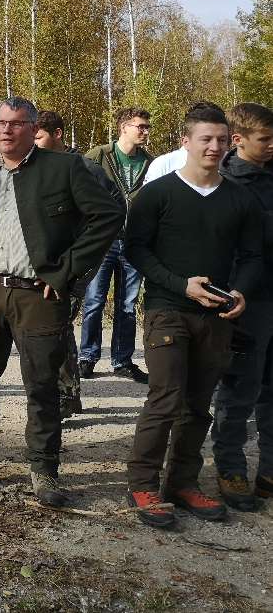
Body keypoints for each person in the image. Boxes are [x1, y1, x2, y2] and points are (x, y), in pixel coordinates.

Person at [0, 97, 123, 507]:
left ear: (33, 129)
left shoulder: (64, 168)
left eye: (16, 124)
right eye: (0, 123)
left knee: (43, 385)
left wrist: (67, 270)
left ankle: (44, 470)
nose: (6, 130)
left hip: (40, 294)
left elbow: (107, 215)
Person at [123, 102, 263, 528]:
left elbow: (254, 254)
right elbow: (136, 249)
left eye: (222, 139)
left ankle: (182, 483)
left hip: (217, 318)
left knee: (198, 405)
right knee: (165, 397)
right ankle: (142, 484)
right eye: (206, 138)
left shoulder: (241, 198)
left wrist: (241, 290)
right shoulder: (158, 193)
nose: (215, 147)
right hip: (168, 310)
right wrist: (179, 283)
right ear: (185, 141)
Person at [33, 110, 124, 419]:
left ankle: (64, 397)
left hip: (74, 264)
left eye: (38, 136)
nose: (32, 142)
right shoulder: (35, 166)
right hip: (47, 263)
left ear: (57, 134)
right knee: (56, 326)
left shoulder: (85, 169)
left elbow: (109, 215)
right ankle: (67, 395)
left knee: (56, 326)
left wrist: (79, 261)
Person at [210, 103, 273, 510]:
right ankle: (230, 467)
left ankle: (268, 470)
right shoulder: (223, 184)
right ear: (239, 140)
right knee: (239, 388)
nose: (272, 146)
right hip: (246, 299)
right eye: (265, 140)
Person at [78, 107, 154, 383]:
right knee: (94, 301)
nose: (145, 131)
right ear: (124, 127)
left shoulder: (150, 162)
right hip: (102, 242)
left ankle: (122, 361)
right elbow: (77, 190)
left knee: (127, 304)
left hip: (134, 242)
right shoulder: (98, 155)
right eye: (140, 126)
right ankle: (87, 358)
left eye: (147, 127)